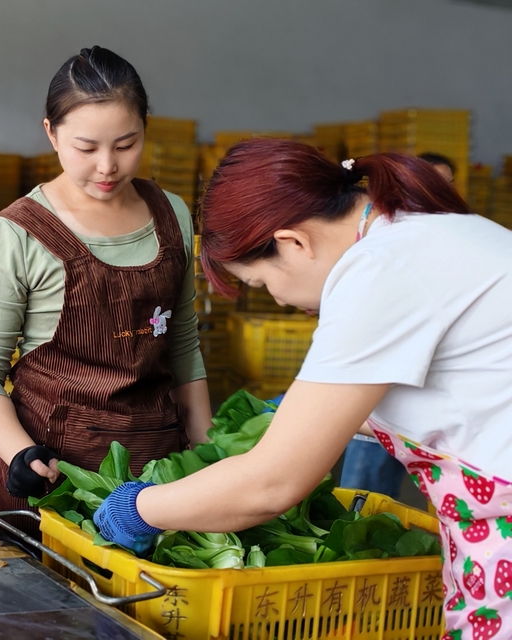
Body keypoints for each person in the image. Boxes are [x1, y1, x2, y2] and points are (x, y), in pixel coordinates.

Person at [94, 139, 512, 637]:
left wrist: (140, 509)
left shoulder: (378, 272)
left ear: (293, 242)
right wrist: (287, 417)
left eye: (261, 284)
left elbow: (271, 485)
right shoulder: (418, 235)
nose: (279, 299)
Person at [0, 46, 211, 527]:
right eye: (86, 148)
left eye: (126, 144)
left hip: (156, 483)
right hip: (50, 476)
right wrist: (19, 453)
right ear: (51, 134)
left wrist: (205, 447)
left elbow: (183, 346)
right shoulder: (19, 232)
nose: (107, 166)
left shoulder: (172, 214)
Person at [339, 149, 460, 499]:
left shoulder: (454, 242)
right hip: (384, 394)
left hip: (415, 396)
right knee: (362, 501)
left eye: (447, 184)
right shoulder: (381, 246)